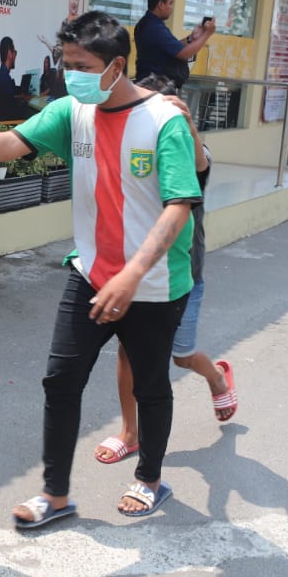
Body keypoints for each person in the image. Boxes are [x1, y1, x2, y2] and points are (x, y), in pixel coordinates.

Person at [0, 10, 201, 524]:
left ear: (116, 65)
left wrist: (133, 274)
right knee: (61, 381)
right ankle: (56, 495)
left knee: (151, 386)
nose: (70, 73)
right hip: (90, 274)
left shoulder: (163, 120)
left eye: (79, 64)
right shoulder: (73, 111)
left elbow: (180, 204)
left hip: (153, 285)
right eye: (65, 63)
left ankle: (151, 479)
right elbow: (12, 142)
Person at [94, 74, 234, 467]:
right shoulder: (129, 139)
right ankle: (130, 432)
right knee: (127, 352)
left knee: (181, 355)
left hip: (180, 274)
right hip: (131, 272)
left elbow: (201, 169)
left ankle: (217, 378)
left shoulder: (187, 143)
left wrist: (186, 125)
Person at [133, 0, 215, 88]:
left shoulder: (148, 23)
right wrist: (207, 34)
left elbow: (173, 47)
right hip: (153, 88)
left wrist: (191, 38)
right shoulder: (154, 28)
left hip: (150, 84)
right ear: (161, 5)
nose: (172, 8)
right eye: (170, 3)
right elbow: (184, 54)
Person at [0, 36, 32, 122]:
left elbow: (10, 94)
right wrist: (25, 102)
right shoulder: (4, 78)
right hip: (6, 125)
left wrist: (20, 96)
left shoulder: (1, 75)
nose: (15, 56)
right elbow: (12, 110)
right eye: (15, 52)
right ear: (10, 54)